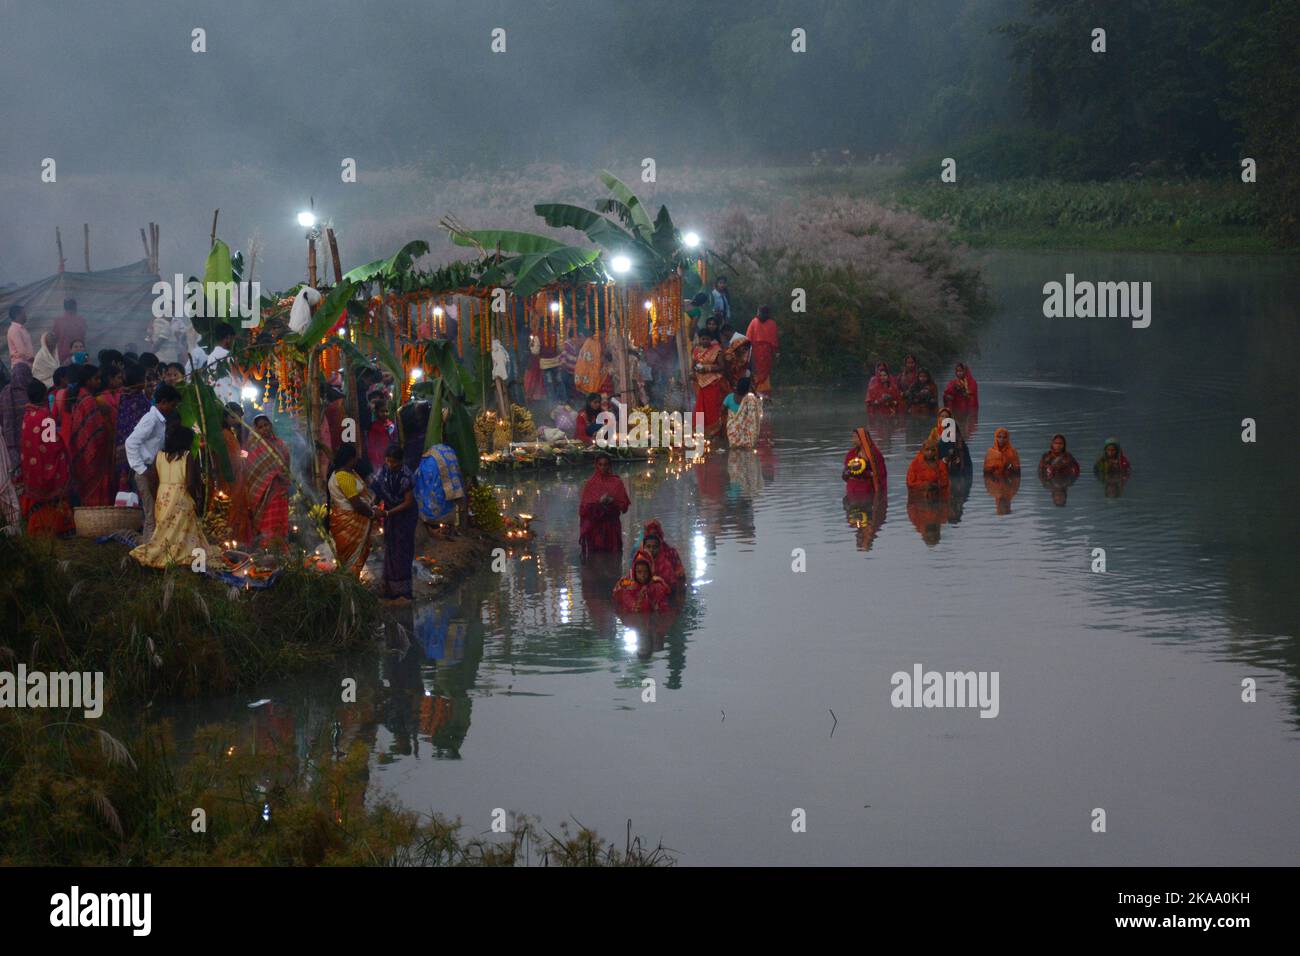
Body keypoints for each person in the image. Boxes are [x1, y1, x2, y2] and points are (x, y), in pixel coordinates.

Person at [130, 422, 209, 568]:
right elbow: (191, 483)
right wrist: (195, 499)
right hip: (181, 497)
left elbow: (152, 479)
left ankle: (164, 553)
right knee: (181, 529)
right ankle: (182, 556)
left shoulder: (159, 456)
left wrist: (157, 496)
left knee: (164, 529)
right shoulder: (187, 456)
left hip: (162, 496)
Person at [124, 382, 182, 543]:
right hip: (146, 470)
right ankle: (148, 551)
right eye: (172, 405)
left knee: (156, 511)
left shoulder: (160, 420)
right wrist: (142, 469)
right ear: (163, 402)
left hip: (152, 470)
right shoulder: (151, 419)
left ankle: (154, 547)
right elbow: (131, 443)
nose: (173, 408)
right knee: (151, 514)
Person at [19, 379, 75, 536]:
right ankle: (59, 528)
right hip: (48, 464)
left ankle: (38, 528)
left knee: (39, 501)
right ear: (44, 396)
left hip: (32, 467)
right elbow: (53, 444)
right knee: (54, 499)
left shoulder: (27, 414)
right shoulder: (45, 415)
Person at [371, 444, 417, 600]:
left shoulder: (406, 475)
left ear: (400, 461)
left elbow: (408, 502)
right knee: (390, 547)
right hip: (390, 514)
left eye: (393, 462)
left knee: (402, 550)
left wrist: (387, 513)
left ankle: (403, 591)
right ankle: (389, 587)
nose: (390, 465)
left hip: (405, 516)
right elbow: (377, 492)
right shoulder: (383, 471)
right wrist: (374, 507)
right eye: (388, 461)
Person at [327, 444, 375, 577]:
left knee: (348, 560)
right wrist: (372, 513)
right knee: (351, 560)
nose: (356, 461)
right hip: (349, 521)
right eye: (355, 458)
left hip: (344, 519)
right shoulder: (344, 476)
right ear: (350, 459)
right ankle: (350, 589)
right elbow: (357, 504)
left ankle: (348, 586)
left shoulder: (345, 473)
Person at [68, 365, 113, 506]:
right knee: (95, 489)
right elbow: (95, 431)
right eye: (96, 379)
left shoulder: (82, 396)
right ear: (87, 381)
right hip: (92, 452)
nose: (99, 381)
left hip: (81, 450)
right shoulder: (88, 400)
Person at [245, 414, 292, 548]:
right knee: (267, 522)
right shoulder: (253, 447)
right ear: (257, 430)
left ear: (271, 425)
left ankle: (281, 551)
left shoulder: (281, 444)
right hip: (263, 493)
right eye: (260, 427)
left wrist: (281, 475)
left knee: (279, 520)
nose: (264, 429)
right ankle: (266, 550)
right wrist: (271, 475)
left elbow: (287, 465)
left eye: (266, 425)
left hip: (280, 490)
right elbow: (250, 469)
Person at [214, 402, 252, 544]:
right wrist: (245, 456)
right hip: (232, 478)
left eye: (240, 416)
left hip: (236, 477)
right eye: (234, 416)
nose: (238, 419)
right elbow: (233, 458)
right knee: (234, 509)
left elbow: (239, 453)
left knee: (238, 508)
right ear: (226, 417)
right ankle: (233, 540)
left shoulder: (231, 433)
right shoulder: (225, 434)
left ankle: (238, 540)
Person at [579, 452, 629, 553]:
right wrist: (599, 503)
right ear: (596, 465)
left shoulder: (617, 482)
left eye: (605, 464)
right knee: (595, 557)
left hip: (612, 525)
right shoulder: (591, 483)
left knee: (614, 556)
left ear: (609, 466)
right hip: (596, 527)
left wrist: (613, 501)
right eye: (600, 464)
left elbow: (624, 505)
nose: (603, 467)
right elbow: (584, 508)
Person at [114, 364, 153, 494]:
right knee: (140, 489)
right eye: (145, 379)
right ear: (139, 381)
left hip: (122, 449)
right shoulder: (141, 401)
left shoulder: (121, 397)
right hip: (138, 452)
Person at [612, 549, 670, 613]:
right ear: (634, 572)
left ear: (650, 572)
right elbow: (630, 609)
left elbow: (663, 609)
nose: (643, 575)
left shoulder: (657, 587)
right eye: (639, 572)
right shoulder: (627, 587)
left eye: (646, 572)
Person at [691, 330, 725, 439]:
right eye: (703, 339)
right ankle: (701, 432)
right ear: (699, 339)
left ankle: (714, 432)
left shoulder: (717, 350)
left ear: (711, 340)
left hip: (712, 382)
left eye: (707, 339)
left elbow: (722, 366)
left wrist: (707, 368)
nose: (705, 341)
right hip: (700, 383)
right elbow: (693, 365)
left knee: (712, 407)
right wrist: (693, 371)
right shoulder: (696, 350)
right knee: (700, 407)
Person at [0, 361, 31, 475]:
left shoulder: (5, 392)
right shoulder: (29, 391)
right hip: (30, 435)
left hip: (10, 438)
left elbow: (4, 419)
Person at [640, 519, 686, 592]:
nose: (651, 549)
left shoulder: (671, 553)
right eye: (648, 546)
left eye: (655, 534)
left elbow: (680, 577)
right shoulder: (640, 556)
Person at [744, 305, 779, 397]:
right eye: (759, 312)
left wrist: (775, 354)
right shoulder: (754, 322)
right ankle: (755, 395)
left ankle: (764, 396)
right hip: (755, 353)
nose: (759, 315)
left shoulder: (772, 324)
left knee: (765, 375)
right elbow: (747, 341)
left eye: (762, 313)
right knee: (755, 374)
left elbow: (774, 342)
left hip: (766, 354)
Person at [843, 426, 887, 497]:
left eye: (856, 437)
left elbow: (880, 474)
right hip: (851, 489)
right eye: (853, 437)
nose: (853, 440)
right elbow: (846, 470)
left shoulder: (875, 454)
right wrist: (847, 472)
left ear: (863, 438)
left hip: (867, 490)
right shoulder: (851, 453)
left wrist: (866, 473)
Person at [723, 376, 763, 448]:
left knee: (734, 452)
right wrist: (754, 392)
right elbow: (754, 415)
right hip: (746, 435)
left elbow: (722, 411)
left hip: (732, 431)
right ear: (748, 389)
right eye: (751, 386)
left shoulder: (729, 397)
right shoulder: (750, 400)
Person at [53, 297, 86, 364]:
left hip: (63, 354)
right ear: (75, 307)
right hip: (79, 353)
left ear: (64, 308)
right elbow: (83, 336)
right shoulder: (81, 320)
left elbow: (55, 338)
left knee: (64, 372)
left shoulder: (58, 321)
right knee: (79, 373)